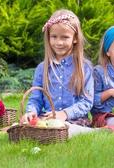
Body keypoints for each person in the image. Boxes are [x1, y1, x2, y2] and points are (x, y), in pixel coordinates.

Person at [22, 9, 95, 138]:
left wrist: (64, 114)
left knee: (65, 129)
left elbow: (86, 102)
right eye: (54, 37)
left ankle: (91, 132)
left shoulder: (84, 67)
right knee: (28, 129)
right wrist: (31, 112)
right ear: (48, 37)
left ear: (75, 39)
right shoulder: (42, 68)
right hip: (47, 120)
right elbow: (36, 99)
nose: (59, 42)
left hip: (74, 120)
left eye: (65, 37)